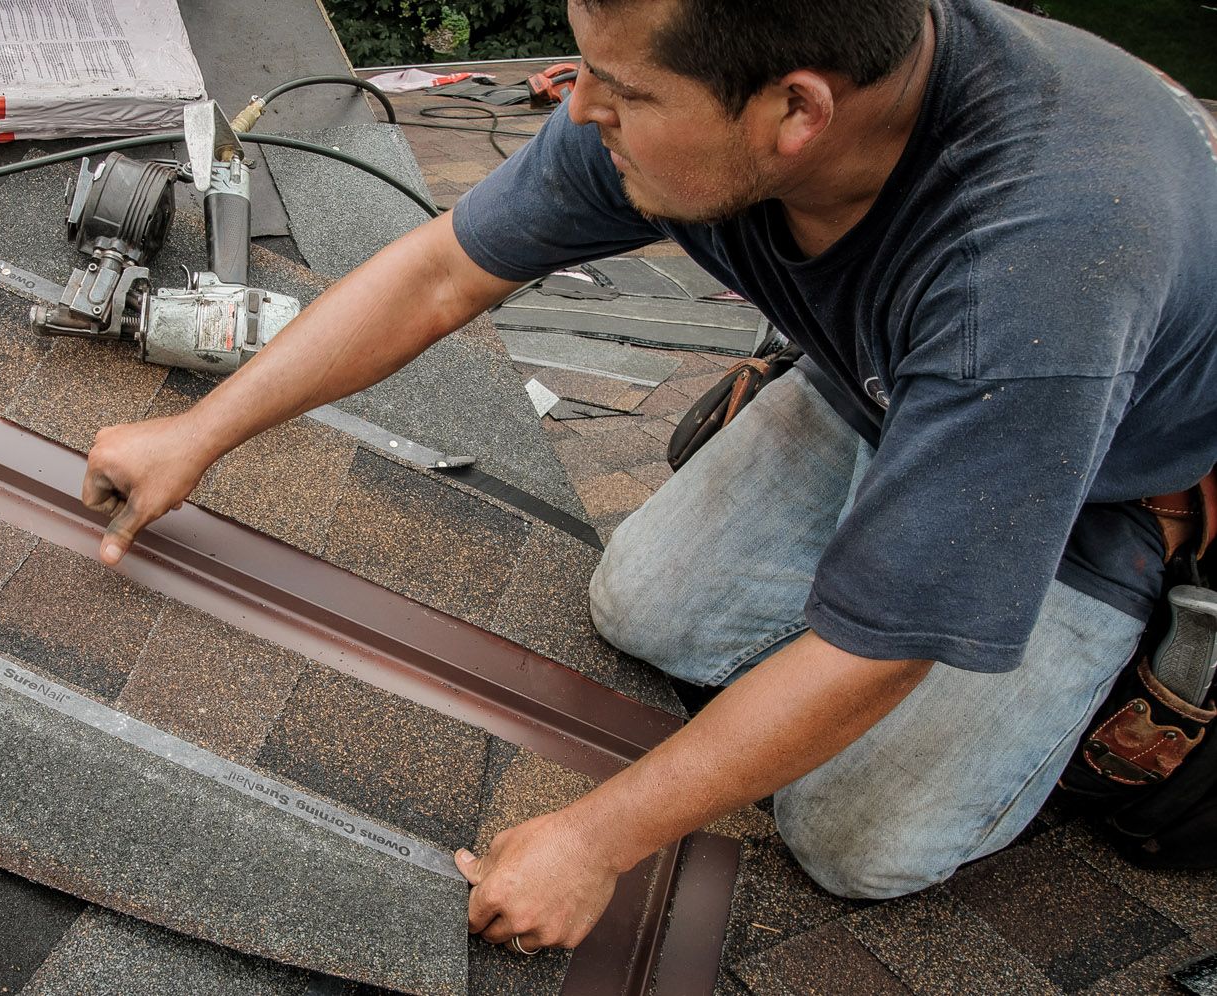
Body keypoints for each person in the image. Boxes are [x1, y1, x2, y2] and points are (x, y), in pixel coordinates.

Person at [82, 0, 1217, 954]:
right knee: (642, 609)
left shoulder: (1030, 273)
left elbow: (885, 646)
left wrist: (596, 842)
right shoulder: (693, 78)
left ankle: (1093, 620)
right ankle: (897, 472)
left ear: (796, 113)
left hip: (1092, 482)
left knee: (852, 843)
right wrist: (201, 433)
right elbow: (440, 275)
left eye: (623, 89)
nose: (581, 105)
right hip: (884, 374)